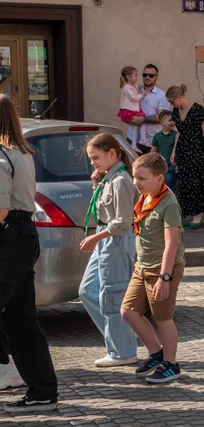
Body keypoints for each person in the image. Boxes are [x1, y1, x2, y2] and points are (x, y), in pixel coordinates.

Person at [0, 94, 60, 412]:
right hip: (24, 237)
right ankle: (43, 391)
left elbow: (0, 210)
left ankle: (41, 389)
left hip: (9, 238)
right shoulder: (22, 152)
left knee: (21, 321)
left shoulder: (1, 156)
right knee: (21, 321)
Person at [120, 153, 185, 383]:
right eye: (134, 177)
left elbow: (171, 243)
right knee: (128, 311)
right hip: (143, 266)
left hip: (162, 269)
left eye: (141, 178)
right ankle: (157, 354)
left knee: (163, 317)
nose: (136, 182)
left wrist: (164, 277)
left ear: (159, 179)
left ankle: (171, 364)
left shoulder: (168, 204)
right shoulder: (145, 197)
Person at [78, 133, 138, 367]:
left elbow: (122, 221)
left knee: (112, 294)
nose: (93, 162)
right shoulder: (108, 178)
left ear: (112, 154)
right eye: (91, 158)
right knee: (88, 290)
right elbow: (101, 211)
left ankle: (123, 351)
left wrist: (96, 237)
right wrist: (96, 183)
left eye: (96, 157)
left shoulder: (121, 179)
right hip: (106, 239)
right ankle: (120, 340)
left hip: (115, 240)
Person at [167, 85, 204, 229]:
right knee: (184, 181)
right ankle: (188, 212)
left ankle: (198, 215)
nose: (172, 105)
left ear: (179, 97)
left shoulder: (197, 109)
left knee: (196, 179)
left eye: (172, 101)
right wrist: (174, 152)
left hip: (197, 148)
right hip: (183, 148)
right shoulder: (176, 111)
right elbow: (178, 132)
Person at [132, 64, 172, 154]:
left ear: (157, 77)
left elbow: (161, 118)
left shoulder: (162, 95)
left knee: (152, 168)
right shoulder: (135, 92)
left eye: (151, 75)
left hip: (153, 142)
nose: (147, 77)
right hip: (133, 140)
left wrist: (142, 119)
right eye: (145, 75)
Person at [118, 65, 147, 145]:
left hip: (134, 109)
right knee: (137, 125)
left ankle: (142, 139)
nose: (137, 77)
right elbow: (133, 98)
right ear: (128, 77)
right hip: (129, 110)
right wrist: (142, 94)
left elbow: (138, 87)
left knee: (140, 124)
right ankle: (134, 143)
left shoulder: (133, 86)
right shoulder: (127, 88)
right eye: (135, 75)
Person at [151, 110, 179, 192]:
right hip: (161, 168)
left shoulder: (175, 135)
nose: (173, 122)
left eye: (174, 120)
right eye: (170, 120)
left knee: (168, 188)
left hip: (172, 167)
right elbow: (153, 153)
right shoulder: (157, 136)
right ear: (162, 122)